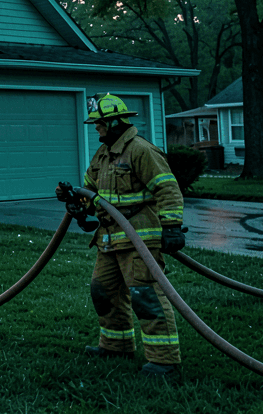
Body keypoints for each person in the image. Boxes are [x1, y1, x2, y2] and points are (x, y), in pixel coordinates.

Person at [61, 93, 185, 378]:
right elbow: (90, 193)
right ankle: (116, 345)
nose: (97, 128)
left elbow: (167, 189)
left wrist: (172, 226)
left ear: (116, 122)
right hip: (108, 238)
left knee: (145, 295)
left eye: (101, 123)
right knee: (103, 291)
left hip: (139, 238)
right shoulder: (102, 155)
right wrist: (75, 202)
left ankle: (164, 361)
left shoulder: (141, 150)